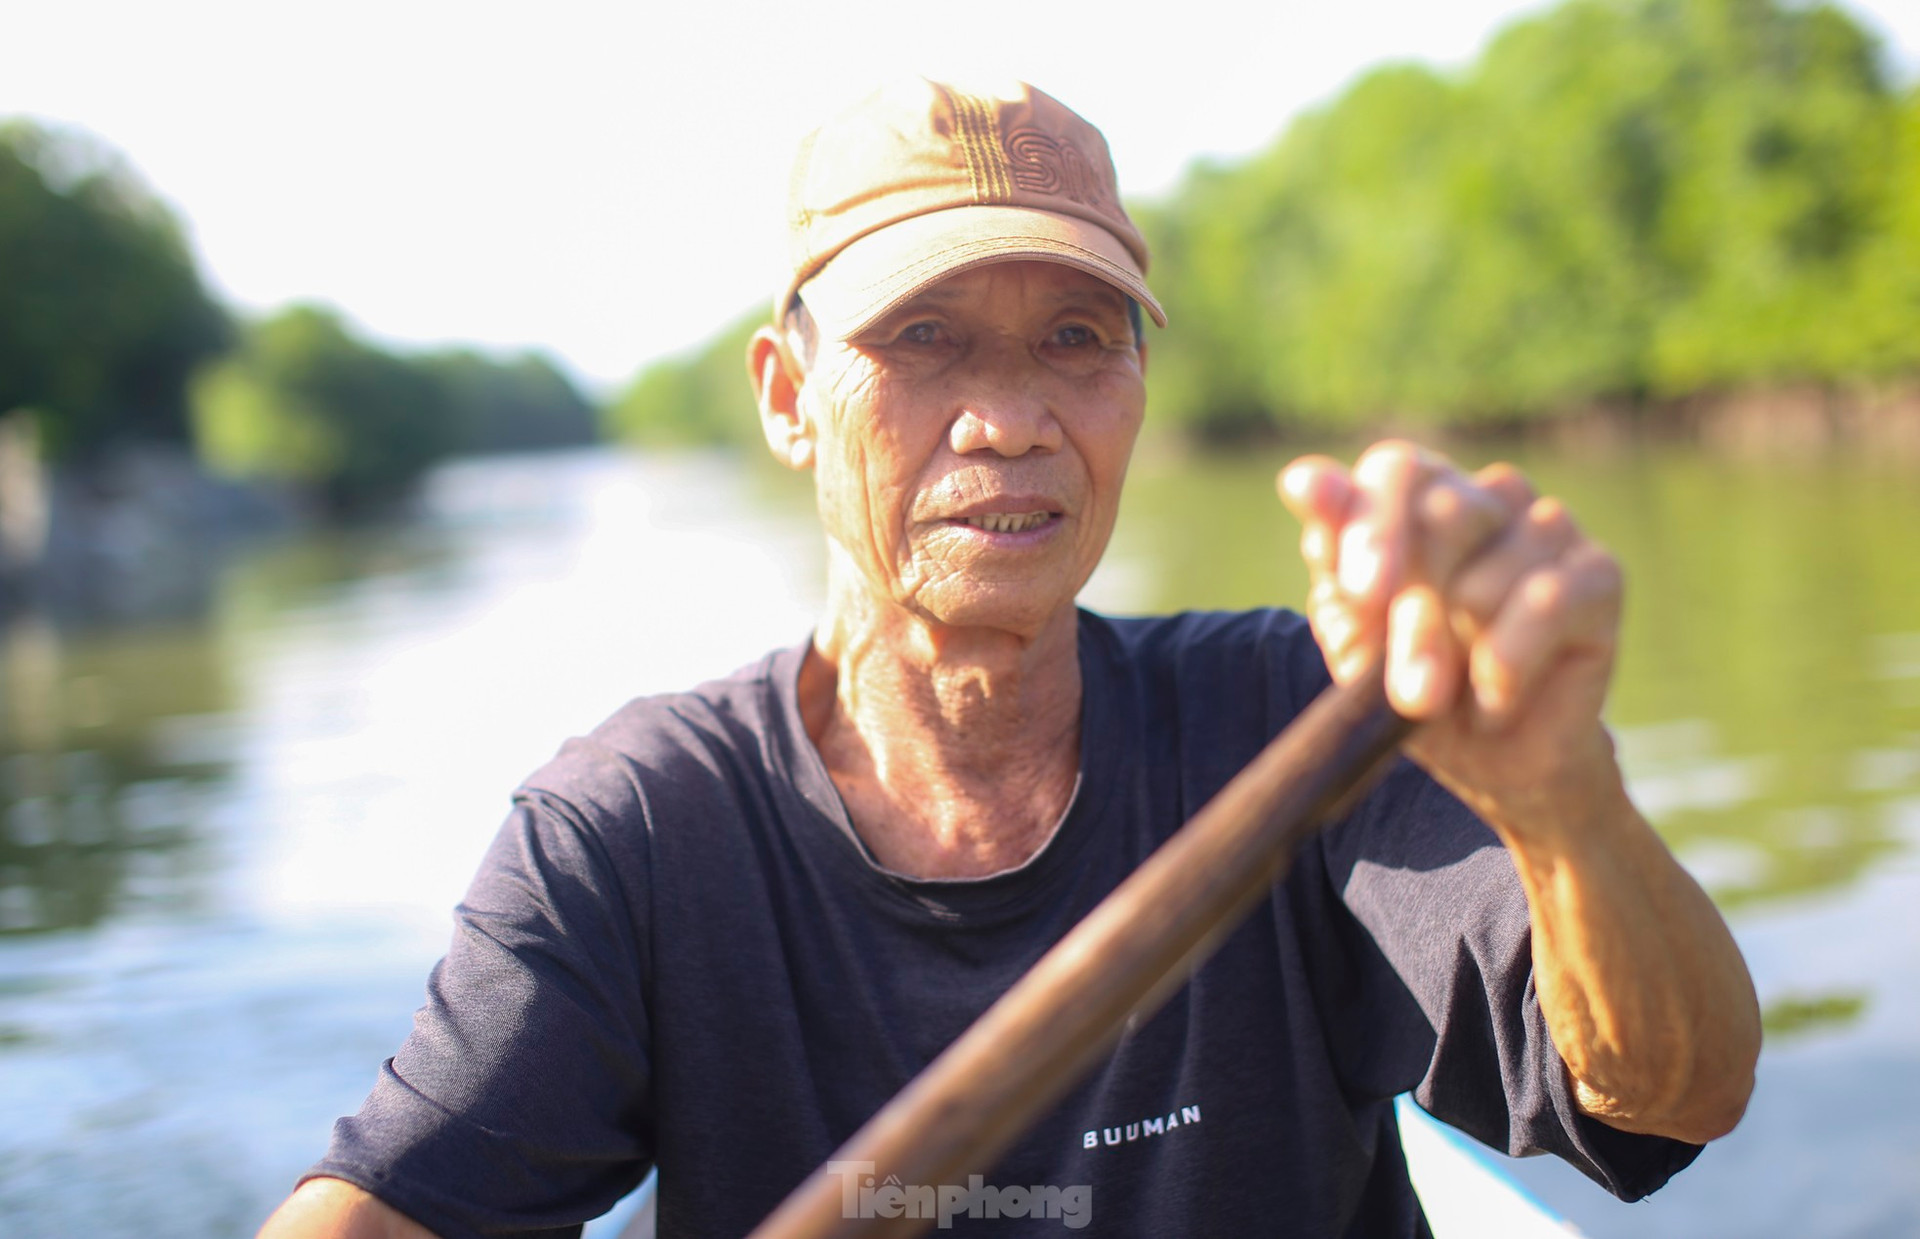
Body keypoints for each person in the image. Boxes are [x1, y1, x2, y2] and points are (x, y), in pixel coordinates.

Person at [259, 78, 1760, 1239]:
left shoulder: (1302, 712)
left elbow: (1668, 1101)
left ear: (1136, 385)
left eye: (1074, 339)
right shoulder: (633, 830)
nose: (1010, 418)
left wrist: (1568, 810)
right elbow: (402, 1202)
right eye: (921, 339)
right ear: (789, 397)